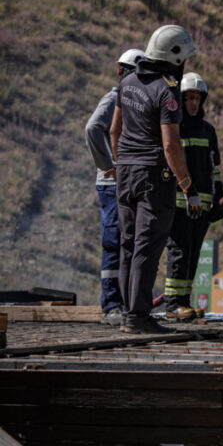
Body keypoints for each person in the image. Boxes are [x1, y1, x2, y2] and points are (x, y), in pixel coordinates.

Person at [109, 25, 198, 334]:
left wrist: (122, 165)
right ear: (174, 58)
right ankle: (138, 317)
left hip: (126, 174)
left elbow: (113, 132)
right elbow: (171, 145)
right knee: (147, 246)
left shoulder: (127, 81)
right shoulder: (167, 89)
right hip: (153, 179)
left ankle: (127, 313)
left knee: (128, 246)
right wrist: (187, 184)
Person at [84, 48, 144, 326]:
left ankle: (124, 303)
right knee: (114, 243)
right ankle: (111, 306)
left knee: (128, 242)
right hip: (111, 185)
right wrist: (108, 164)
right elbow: (93, 128)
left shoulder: (131, 102)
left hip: (126, 183)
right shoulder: (114, 98)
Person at [164, 72, 223, 322]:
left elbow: (215, 166)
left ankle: (184, 303)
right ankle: (172, 305)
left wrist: (218, 196)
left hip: (202, 207)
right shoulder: (173, 129)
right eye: (188, 97)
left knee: (192, 255)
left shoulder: (208, 131)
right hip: (180, 205)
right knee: (178, 253)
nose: (193, 103)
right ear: (180, 100)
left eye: (197, 98)